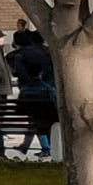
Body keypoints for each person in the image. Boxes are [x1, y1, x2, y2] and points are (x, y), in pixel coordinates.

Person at [9, 26, 57, 156]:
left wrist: (28, 81)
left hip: (29, 91)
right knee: (43, 120)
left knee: (34, 120)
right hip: (48, 90)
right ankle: (45, 147)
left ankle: (41, 147)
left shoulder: (24, 53)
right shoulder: (49, 52)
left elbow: (17, 67)